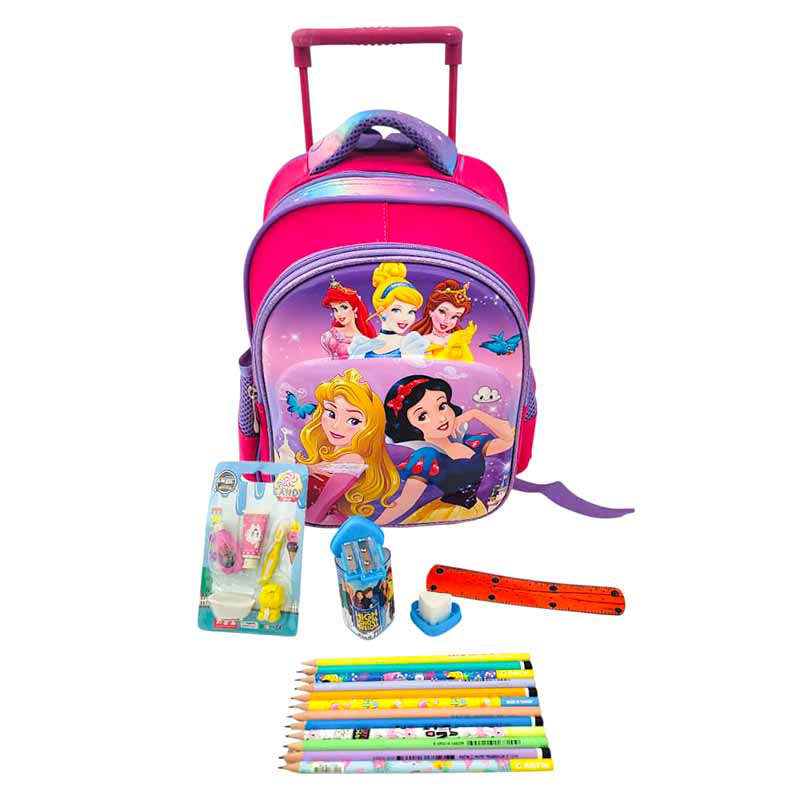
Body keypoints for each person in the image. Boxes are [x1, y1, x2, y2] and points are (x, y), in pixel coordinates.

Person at [375, 375, 514, 524]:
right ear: (410, 426)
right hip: (446, 513)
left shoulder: (469, 442)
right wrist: (376, 524)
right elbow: (406, 501)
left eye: (442, 406)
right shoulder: (427, 456)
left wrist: (475, 413)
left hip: (477, 511)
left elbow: (509, 440)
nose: (441, 419)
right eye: (423, 416)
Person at [296, 368, 399, 524]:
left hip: (320, 521)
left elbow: (320, 506)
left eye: (354, 421)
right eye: (331, 414)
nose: (337, 426)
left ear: (371, 427)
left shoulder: (353, 459)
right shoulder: (329, 449)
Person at [348, 262, 427, 358]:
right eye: (396, 310)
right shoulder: (362, 346)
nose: (405, 318)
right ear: (381, 311)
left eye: (411, 311)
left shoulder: (411, 346)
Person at [320, 275, 376, 359]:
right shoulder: (328, 337)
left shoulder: (365, 341)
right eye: (335, 309)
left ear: (355, 309)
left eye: (344, 307)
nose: (339, 314)